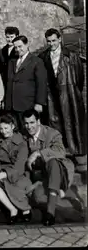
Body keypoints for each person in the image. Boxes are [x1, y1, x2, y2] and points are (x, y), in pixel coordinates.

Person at [23, 109, 79, 226]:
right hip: (42, 178)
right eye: (26, 123)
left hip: (58, 173)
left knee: (52, 161)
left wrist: (38, 153)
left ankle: (50, 213)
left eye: (32, 122)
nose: (29, 127)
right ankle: (65, 194)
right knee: (38, 197)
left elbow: (60, 151)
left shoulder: (52, 133)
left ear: (38, 121)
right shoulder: (24, 137)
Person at [38, 28, 87, 165]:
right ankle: (59, 152)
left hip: (69, 95)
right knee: (55, 124)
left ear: (59, 39)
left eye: (54, 40)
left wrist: (72, 91)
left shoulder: (71, 55)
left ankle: (77, 152)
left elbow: (79, 78)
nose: (52, 44)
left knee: (72, 123)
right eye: (49, 41)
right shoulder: (43, 57)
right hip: (52, 97)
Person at [0, 113, 32, 224]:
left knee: (15, 184)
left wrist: (1, 175)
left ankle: (25, 209)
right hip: (0, 169)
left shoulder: (22, 142)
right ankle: (12, 209)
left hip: (18, 172)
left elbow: (19, 166)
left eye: (6, 128)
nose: (3, 131)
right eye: (1, 128)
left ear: (12, 126)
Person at [4, 35, 47, 130]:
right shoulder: (12, 62)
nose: (18, 49)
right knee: (16, 131)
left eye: (20, 46)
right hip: (13, 104)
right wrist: (7, 102)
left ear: (27, 45)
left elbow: (41, 84)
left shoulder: (36, 61)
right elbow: (9, 82)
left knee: (28, 130)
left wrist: (39, 103)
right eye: (15, 47)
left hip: (28, 104)